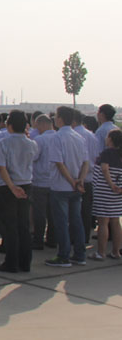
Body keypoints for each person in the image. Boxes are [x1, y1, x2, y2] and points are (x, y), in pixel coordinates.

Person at [0, 110, 38, 273]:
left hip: (8, 187)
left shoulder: (3, 143)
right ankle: (25, 262)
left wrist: (11, 187)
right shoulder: (31, 143)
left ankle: (11, 262)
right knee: (23, 226)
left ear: (9, 125)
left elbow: (1, 167)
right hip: (25, 185)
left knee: (10, 227)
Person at [47, 106, 90, 267]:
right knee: (76, 222)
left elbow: (59, 163)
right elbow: (86, 162)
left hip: (61, 186)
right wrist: (80, 180)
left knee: (61, 223)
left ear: (60, 119)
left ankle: (63, 255)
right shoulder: (79, 137)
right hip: (76, 186)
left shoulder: (57, 137)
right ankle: (79, 254)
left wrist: (72, 182)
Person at [90, 129, 122, 260]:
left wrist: (111, 184)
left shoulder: (107, 152)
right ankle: (116, 251)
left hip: (104, 191)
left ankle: (101, 252)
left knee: (103, 222)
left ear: (110, 139)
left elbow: (104, 169)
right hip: (118, 193)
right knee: (115, 221)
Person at [31, 114, 57, 250]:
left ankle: (38, 240)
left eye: (37, 126)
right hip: (56, 182)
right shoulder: (59, 137)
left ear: (42, 124)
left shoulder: (39, 140)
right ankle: (52, 239)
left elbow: (33, 157)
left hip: (40, 181)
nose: (37, 129)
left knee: (39, 214)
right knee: (53, 213)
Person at [73, 109, 98, 243]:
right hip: (89, 177)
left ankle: (75, 238)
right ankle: (85, 237)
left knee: (74, 211)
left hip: (75, 178)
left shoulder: (74, 135)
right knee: (86, 210)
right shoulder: (91, 135)